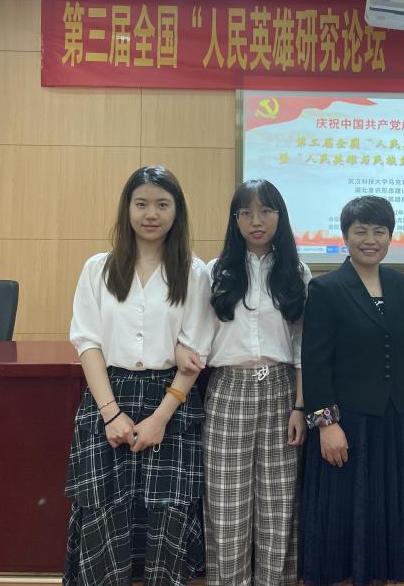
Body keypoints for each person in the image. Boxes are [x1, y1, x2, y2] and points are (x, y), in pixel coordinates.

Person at [64, 166, 210, 586]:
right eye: (141, 204)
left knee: (167, 519)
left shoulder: (194, 272)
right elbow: (87, 343)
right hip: (109, 396)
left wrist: (160, 418)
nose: (151, 214)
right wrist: (110, 414)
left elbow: (194, 352)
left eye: (162, 204)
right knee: (105, 514)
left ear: (176, 211)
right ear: (127, 209)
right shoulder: (99, 268)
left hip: (171, 402)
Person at [176, 179, 310, 586]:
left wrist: (300, 406)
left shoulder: (296, 272)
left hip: (282, 392)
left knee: (279, 505)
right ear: (235, 220)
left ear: (279, 217)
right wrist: (182, 349)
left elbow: (302, 346)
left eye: (266, 211)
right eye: (246, 213)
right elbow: (195, 335)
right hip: (228, 390)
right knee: (226, 507)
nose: (257, 221)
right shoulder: (215, 272)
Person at [299, 196, 404, 586]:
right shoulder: (326, 288)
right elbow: (315, 361)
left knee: (385, 517)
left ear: (390, 236)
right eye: (361, 231)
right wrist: (326, 424)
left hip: (392, 421)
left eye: (379, 231)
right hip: (346, 425)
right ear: (345, 235)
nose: (370, 240)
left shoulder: (403, 286)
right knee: (341, 521)